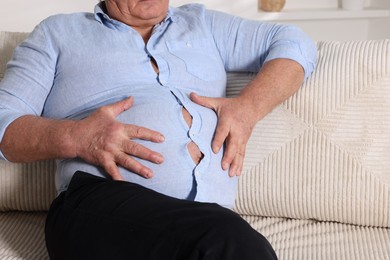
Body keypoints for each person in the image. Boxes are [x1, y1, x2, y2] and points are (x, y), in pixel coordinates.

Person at [0, 0, 317, 259]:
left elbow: (294, 43)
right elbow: (3, 122)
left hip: (198, 222)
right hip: (98, 207)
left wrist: (249, 108)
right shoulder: (58, 34)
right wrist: (78, 137)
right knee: (234, 245)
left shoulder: (202, 24)